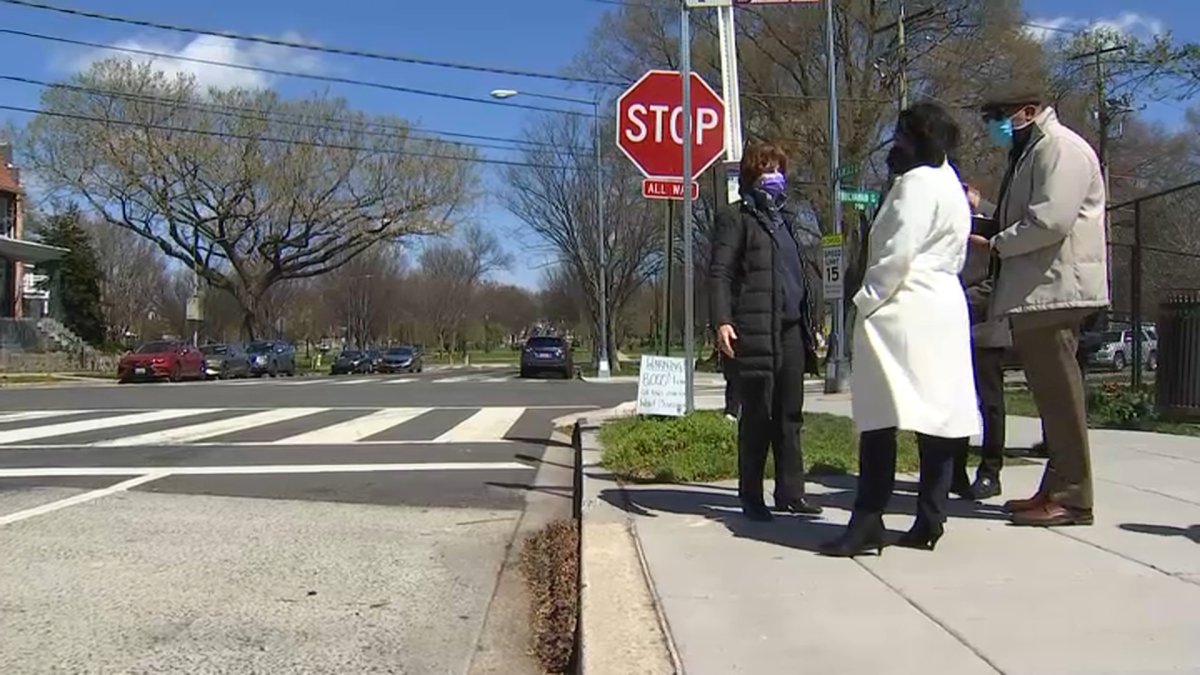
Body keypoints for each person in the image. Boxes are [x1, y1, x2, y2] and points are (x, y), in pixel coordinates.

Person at [821, 103, 980, 556]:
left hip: (903, 307)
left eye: (900, 136)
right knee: (939, 420)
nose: (894, 145)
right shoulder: (951, 183)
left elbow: (896, 254)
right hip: (945, 304)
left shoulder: (914, 185)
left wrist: (866, 301)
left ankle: (868, 518)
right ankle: (930, 517)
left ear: (915, 140)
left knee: (880, 417)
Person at [975, 85, 1108, 527]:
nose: (995, 124)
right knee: (1051, 400)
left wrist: (996, 243)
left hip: (1055, 289)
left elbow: (1049, 221)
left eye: (1000, 114)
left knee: (1061, 397)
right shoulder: (1034, 153)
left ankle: (1073, 496)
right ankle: (1055, 488)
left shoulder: (1060, 149)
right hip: (1037, 291)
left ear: (1028, 111)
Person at [710, 142, 823, 522]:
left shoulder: (788, 220)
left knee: (790, 414)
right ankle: (751, 495)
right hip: (755, 329)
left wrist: (813, 317)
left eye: (778, 169)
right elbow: (720, 273)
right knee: (757, 415)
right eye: (765, 170)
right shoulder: (736, 218)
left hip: (791, 328)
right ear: (750, 176)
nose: (773, 176)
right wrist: (722, 320)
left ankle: (791, 492)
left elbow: (798, 276)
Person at [951, 182, 1009, 500]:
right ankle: (954, 472)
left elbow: (995, 282)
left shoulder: (992, 225)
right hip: (953, 330)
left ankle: (990, 472)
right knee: (956, 404)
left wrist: (955, 300)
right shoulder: (946, 226)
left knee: (990, 404)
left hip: (986, 326)